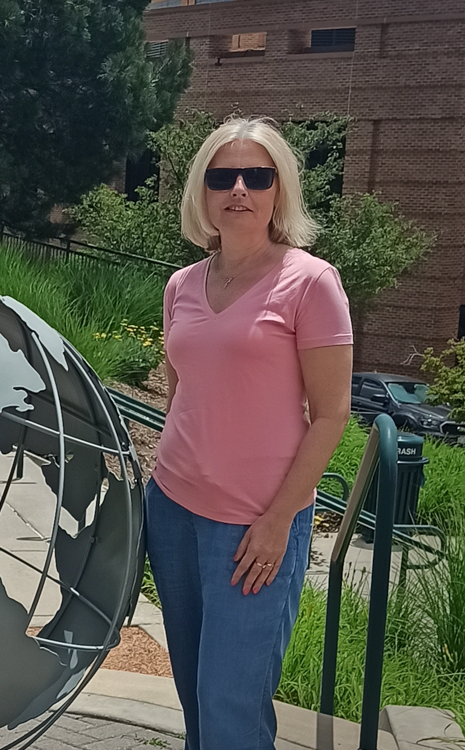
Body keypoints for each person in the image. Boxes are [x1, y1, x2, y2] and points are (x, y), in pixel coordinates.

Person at [146, 117, 353, 748]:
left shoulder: (311, 282)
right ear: (202, 193)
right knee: (194, 699)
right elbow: (182, 390)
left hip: (254, 526)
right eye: (223, 176)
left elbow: (333, 414)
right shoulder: (181, 284)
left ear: (278, 191)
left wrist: (278, 522)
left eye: (256, 176)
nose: (239, 188)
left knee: (230, 710)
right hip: (173, 510)